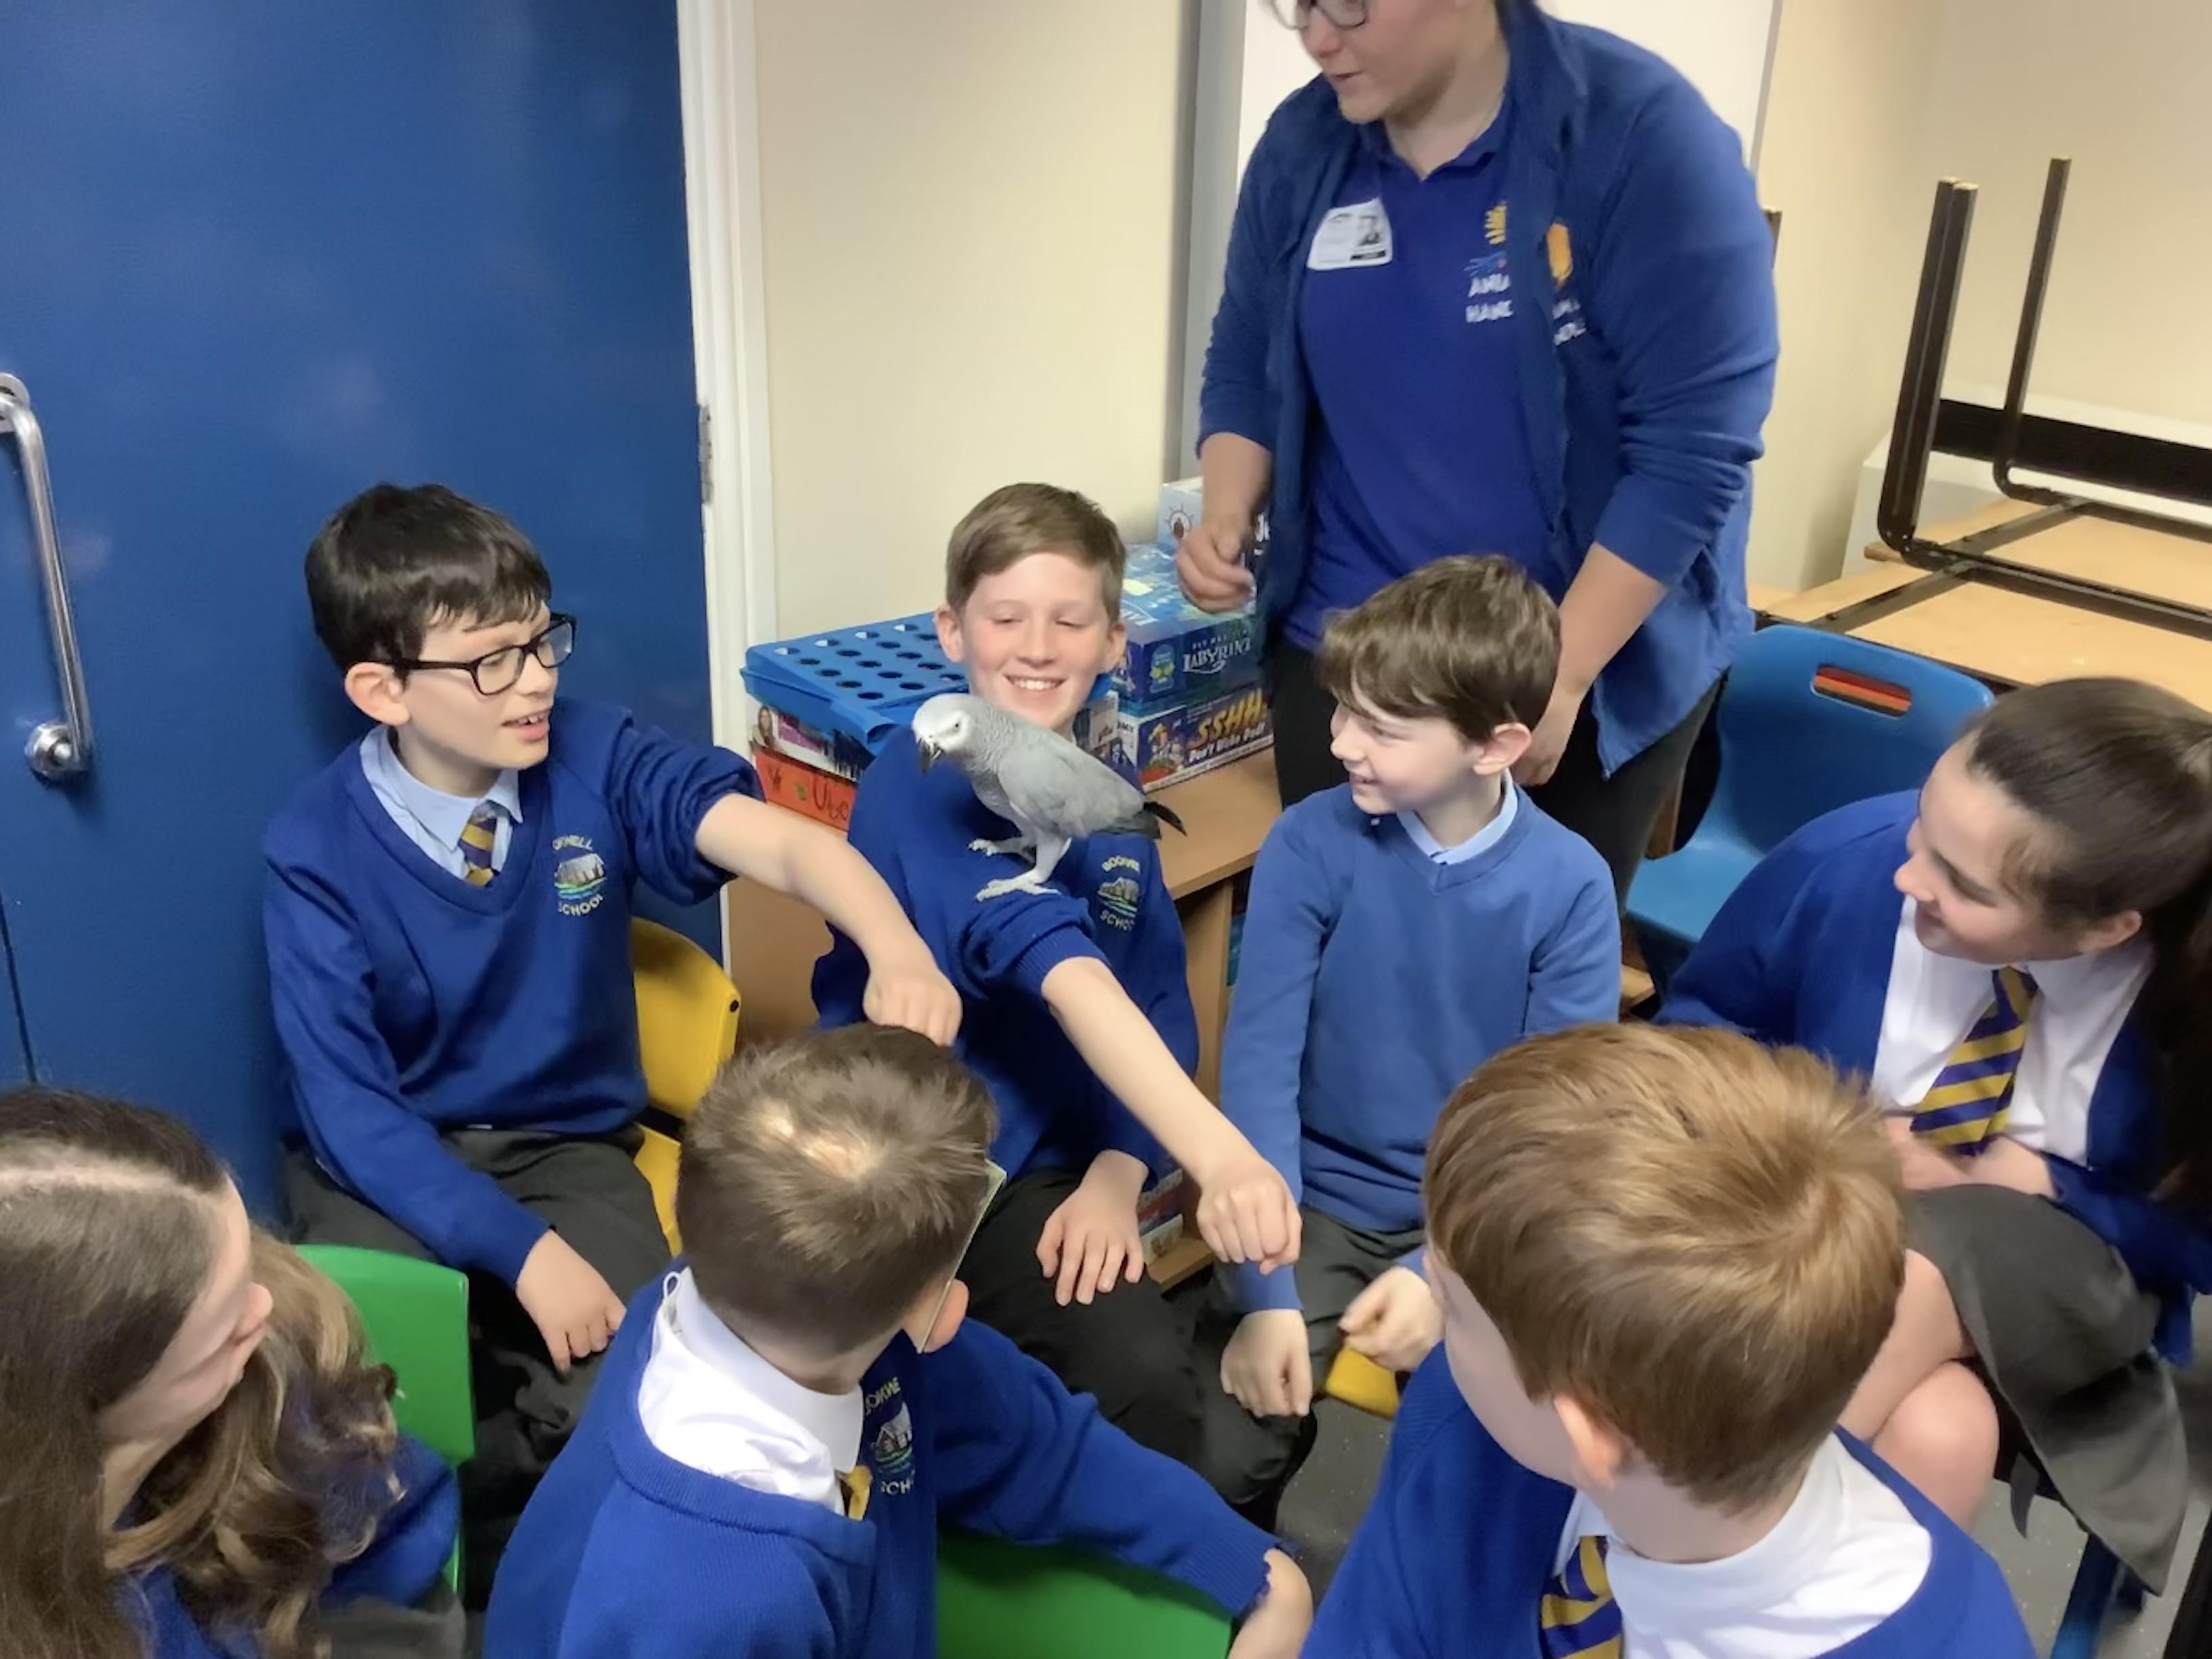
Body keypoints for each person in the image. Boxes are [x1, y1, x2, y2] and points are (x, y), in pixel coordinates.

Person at [265, 483, 959, 1534]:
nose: (536, 679)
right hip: (381, 1160)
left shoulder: (593, 754)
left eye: (543, 642)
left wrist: (896, 945)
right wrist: (522, 1253)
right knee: (370, 1415)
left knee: (641, 1397)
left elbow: (783, 845)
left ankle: (545, 1551)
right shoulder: (312, 848)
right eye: (493, 662)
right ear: (383, 690)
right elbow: (351, 1112)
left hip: (564, 1148)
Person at [1178, 0, 1778, 899]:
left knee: (1517, 960)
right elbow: (1244, 358)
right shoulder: (1305, 144)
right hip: (1350, 643)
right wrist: (1227, 511)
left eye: (1347, 3)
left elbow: (1693, 452)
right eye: (1296, 4)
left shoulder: (1641, 138)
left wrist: (1559, 676)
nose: (1317, 36)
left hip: (1565, 653)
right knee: (1347, 933)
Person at [483, 1025, 1312, 1658]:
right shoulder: (715, 1600)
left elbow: (1039, 1439)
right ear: (939, 1308)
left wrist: (1252, 1567)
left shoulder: (763, 1303)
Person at [1663, 678, 2212, 1593]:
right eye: (1924, 821)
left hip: (2067, 1286)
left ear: (2106, 928)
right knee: (1941, 1433)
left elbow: (2198, 1242)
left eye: (1963, 884)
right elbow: (1698, 1036)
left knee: (1915, 1273)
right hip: (1804, 1222)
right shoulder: (1855, 858)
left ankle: (1680, 1560)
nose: (1908, 874)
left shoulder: (2190, 1000)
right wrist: (1820, 1126)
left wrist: (2044, 1186)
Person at [813, 483, 1298, 1470]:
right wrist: (1217, 1152)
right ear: (953, 631)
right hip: (903, 1151)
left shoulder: (1107, 805)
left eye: (1069, 621)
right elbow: (1049, 954)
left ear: (1114, 643)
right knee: (896, 1405)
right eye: (1006, 618)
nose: (1036, 647)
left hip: (1046, 1166)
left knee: (1149, 1392)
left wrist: (1122, 1170)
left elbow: (1158, 1002)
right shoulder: (913, 785)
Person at [1307, 1025, 2034, 1658]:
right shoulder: (1461, 1431)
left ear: (1586, 1432)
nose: (1437, 1317)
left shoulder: (1956, 1641)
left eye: (1452, 1307)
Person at [1201, 556, 1616, 1515]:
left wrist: (1442, 1270)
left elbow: (1548, 1130)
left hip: (1482, 1219)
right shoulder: (1309, 841)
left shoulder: (1570, 888)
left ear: (1496, 746)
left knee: (1504, 1470)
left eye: (1383, 728)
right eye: (1343, 710)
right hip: (1308, 1204)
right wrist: (1267, 1302)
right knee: (1225, 1453)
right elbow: (1260, 1069)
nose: (1342, 742)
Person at [0, 1086, 461, 1659]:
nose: (262, 1307)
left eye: (246, 1268)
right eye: (223, 1335)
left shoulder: (280, 1385)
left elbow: (398, 1559)